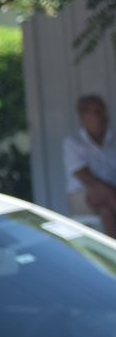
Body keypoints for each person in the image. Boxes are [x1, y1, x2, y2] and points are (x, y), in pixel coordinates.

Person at [65, 94, 116, 233]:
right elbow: (84, 177)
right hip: (82, 196)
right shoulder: (73, 143)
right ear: (83, 116)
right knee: (103, 192)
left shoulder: (112, 141)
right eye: (97, 112)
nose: (104, 117)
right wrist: (110, 190)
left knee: (107, 212)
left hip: (109, 197)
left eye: (104, 112)